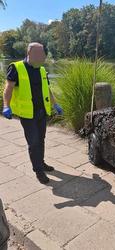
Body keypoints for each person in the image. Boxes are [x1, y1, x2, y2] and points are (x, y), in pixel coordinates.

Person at [2, 42, 63, 184]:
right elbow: (8, 88)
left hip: (42, 111)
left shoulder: (41, 70)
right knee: (33, 142)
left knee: (41, 140)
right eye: (40, 54)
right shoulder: (16, 68)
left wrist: (55, 104)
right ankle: (38, 170)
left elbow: (47, 89)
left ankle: (41, 163)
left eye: (43, 54)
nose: (43, 56)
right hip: (27, 114)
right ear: (30, 53)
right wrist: (6, 105)